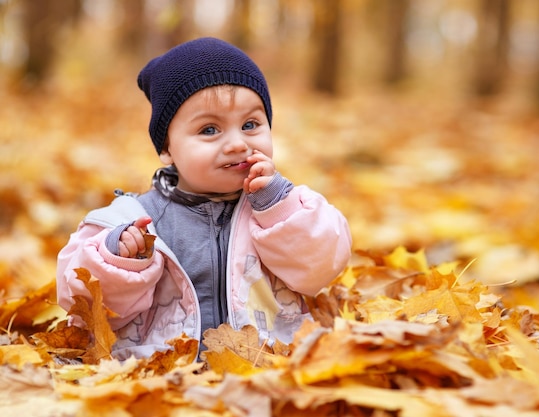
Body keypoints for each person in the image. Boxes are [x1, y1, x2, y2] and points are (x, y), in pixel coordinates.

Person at [56, 37, 352, 360]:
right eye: (210, 130)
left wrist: (278, 206)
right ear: (167, 149)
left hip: (270, 367)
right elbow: (79, 299)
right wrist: (118, 258)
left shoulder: (284, 207)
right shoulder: (133, 217)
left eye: (251, 124)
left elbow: (324, 263)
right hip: (163, 376)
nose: (238, 143)